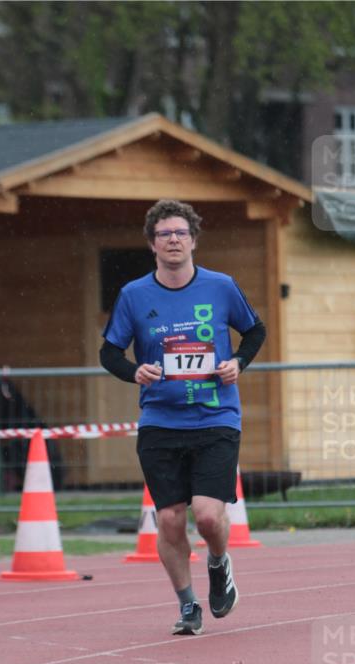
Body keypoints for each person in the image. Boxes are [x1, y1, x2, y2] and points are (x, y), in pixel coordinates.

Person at [100, 199, 266, 636]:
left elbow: (255, 330)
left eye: (180, 233)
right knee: (171, 518)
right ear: (152, 244)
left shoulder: (221, 287)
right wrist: (134, 371)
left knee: (209, 517)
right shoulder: (134, 295)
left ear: (193, 240)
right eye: (164, 234)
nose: (173, 240)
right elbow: (109, 352)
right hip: (160, 420)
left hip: (216, 416)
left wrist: (240, 363)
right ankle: (188, 604)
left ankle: (218, 562)